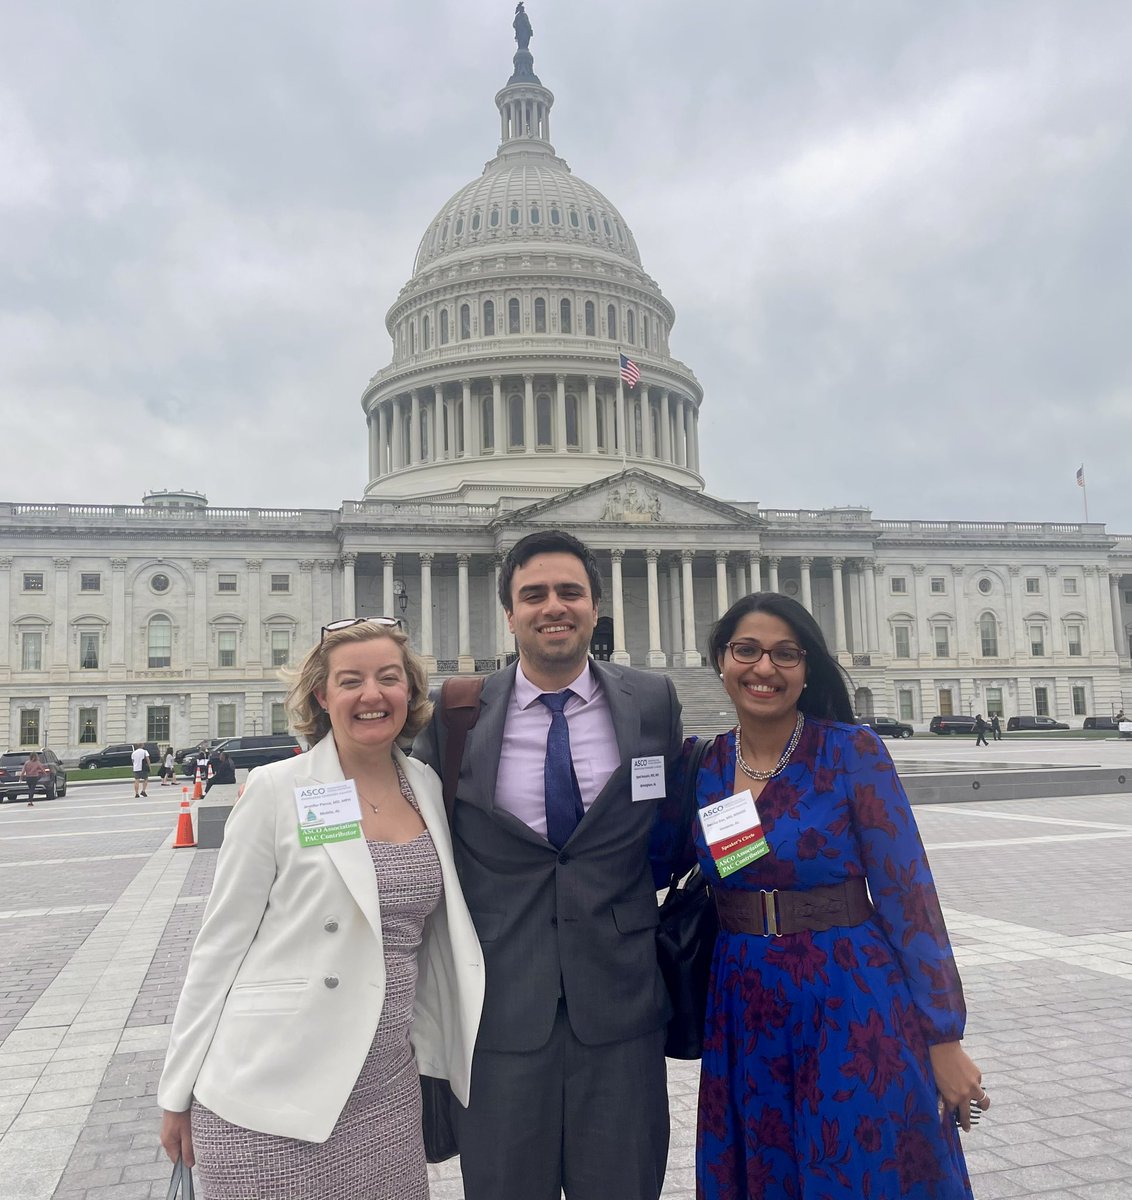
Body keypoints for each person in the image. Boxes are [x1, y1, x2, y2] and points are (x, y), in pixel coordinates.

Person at [651, 592, 988, 1200]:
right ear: (721, 660)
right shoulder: (703, 765)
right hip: (744, 1005)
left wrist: (944, 1037)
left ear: (807, 670)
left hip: (848, 998)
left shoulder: (849, 752)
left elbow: (908, 896)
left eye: (786, 654)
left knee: (857, 1167)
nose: (764, 669)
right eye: (746, 650)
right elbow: (649, 861)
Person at [158, 618, 484, 1199]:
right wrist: (175, 1093)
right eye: (350, 680)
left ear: (409, 693)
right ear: (322, 696)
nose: (371, 695)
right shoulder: (277, 788)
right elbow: (220, 944)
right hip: (272, 1092)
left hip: (388, 1092)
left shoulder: (428, 787)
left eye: (389, 678)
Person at [413, 529, 682, 1200]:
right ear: (509, 612)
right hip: (500, 1011)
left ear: (596, 607)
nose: (553, 607)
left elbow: (674, 826)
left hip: (620, 1009)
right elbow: (417, 838)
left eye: (570, 592)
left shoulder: (652, 703)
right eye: (534, 594)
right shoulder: (456, 712)